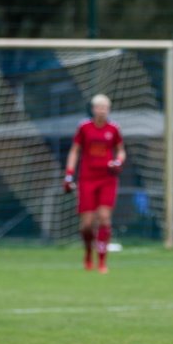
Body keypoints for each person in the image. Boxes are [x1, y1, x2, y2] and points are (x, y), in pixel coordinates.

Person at [64, 94, 125, 272]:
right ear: (93, 109)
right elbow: (74, 151)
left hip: (107, 179)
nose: (102, 111)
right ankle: (88, 254)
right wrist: (69, 175)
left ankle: (102, 261)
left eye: (105, 108)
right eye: (98, 108)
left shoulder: (113, 129)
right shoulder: (84, 128)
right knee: (87, 224)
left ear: (108, 109)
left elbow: (121, 151)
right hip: (87, 179)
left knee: (104, 218)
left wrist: (118, 162)